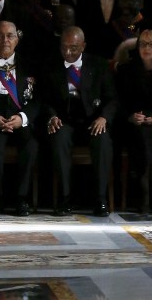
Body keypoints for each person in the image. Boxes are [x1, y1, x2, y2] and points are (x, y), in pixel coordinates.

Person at [42, 26, 118, 217]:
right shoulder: (51, 65)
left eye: (73, 48)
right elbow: (44, 100)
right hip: (65, 119)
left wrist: (104, 117)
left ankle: (100, 199)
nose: (68, 52)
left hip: (93, 120)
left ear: (83, 46)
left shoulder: (98, 65)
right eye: (64, 47)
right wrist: (52, 116)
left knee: (102, 141)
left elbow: (112, 98)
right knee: (58, 139)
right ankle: (65, 198)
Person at [0, 21, 39, 217]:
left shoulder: (31, 64)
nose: (5, 40)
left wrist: (23, 118)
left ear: (17, 39)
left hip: (20, 118)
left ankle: (22, 199)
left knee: (31, 146)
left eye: (10, 35)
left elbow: (40, 99)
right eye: (0, 36)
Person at [115, 29, 152, 214]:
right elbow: (118, 102)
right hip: (135, 124)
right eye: (143, 44)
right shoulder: (126, 70)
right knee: (142, 135)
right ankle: (145, 193)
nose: (146, 48)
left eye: (151, 44)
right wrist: (131, 117)